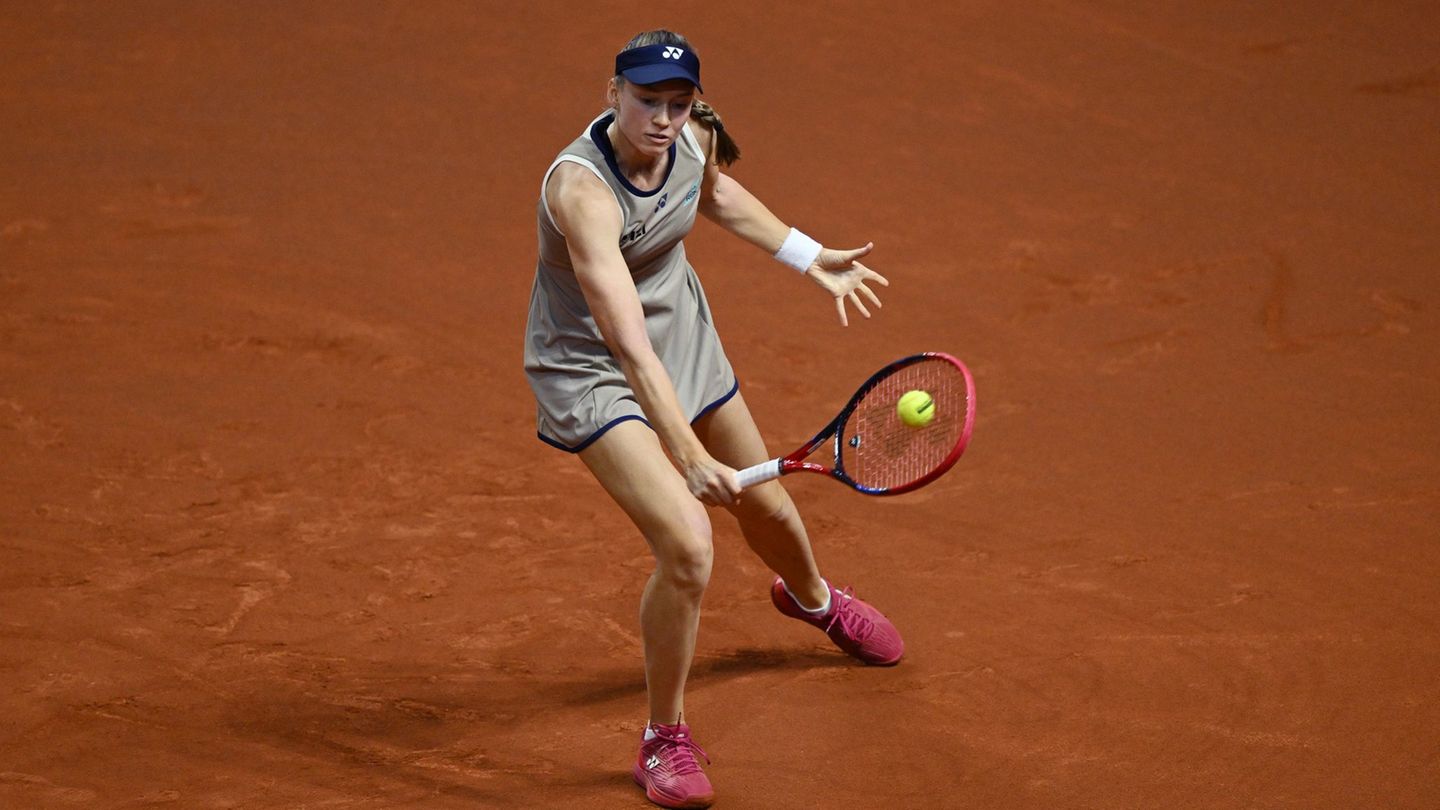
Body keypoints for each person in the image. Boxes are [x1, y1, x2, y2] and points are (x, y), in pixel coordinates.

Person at [523, 29, 904, 809]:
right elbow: (627, 348)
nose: (662, 119)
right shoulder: (581, 192)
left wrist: (807, 254)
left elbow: (714, 192)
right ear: (611, 94)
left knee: (768, 505)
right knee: (690, 546)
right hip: (593, 367)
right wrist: (686, 452)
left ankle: (813, 601)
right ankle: (665, 737)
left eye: (676, 102)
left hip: (680, 336)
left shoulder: (693, 133)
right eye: (645, 101)